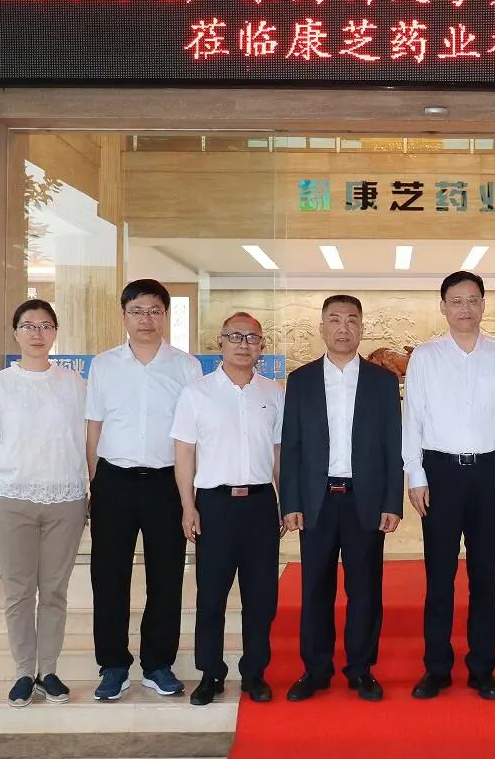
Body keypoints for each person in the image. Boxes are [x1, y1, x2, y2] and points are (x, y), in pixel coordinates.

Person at [403, 271, 495, 701]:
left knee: (485, 577)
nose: (465, 308)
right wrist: (416, 475)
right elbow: (412, 420)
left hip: (489, 473)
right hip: (440, 474)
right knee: (439, 578)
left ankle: (482, 669)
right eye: (456, 301)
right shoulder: (425, 357)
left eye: (473, 300)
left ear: (483, 304)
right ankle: (436, 668)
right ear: (443, 306)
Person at [280, 295, 403, 703]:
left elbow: (393, 445)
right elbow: (292, 446)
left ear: (362, 328)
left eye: (351, 320)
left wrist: (392, 502)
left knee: (365, 589)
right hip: (316, 500)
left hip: (363, 500)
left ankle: (361, 669)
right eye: (334, 320)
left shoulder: (382, 382)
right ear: (322, 328)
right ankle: (315, 670)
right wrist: (290, 502)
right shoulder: (301, 380)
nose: (343, 328)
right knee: (315, 588)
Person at [85, 279, 202, 701]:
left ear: (166, 315)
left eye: (154, 311)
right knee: (109, 576)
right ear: (124, 315)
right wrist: (95, 485)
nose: (146, 319)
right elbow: (94, 429)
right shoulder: (104, 365)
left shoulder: (186, 367)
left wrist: (189, 497)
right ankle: (113, 665)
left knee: (166, 577)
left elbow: (192, 437)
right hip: (113, 480)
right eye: (137, 311)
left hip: (166, 483)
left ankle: (157, 664)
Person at [0, 299, 88, 708]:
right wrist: (24, 464)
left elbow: (85, 439)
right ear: (16, 333)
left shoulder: (75, 384)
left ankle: (49, 671)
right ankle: (24, 671)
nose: (37, 334)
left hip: (66, 499)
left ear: (55, 332)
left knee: (55, 590)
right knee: (19, 592)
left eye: (45, 326)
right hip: (13, 499)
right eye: (28, 326)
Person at [172, 313, 284, 706]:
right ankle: (211, 674)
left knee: (261, 595)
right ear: (219, 342)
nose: (243, 344)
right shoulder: (197, 393)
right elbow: (184, 454)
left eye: (252, 337)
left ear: (262, 346)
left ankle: (254, 673)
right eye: (235, 336)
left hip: (260, 505)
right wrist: (188, 506)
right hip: (215, 506)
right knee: (211, 595)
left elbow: (278, 452)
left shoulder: (273, 393)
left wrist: (285, 500)